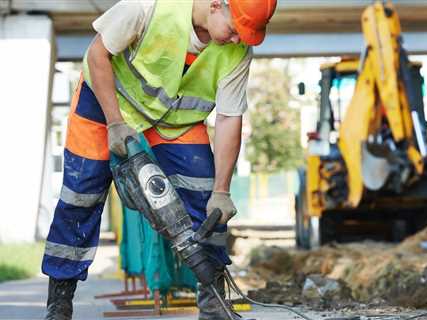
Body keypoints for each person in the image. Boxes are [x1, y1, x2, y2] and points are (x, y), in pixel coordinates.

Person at [41, 0, 277, 319]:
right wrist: (114, 123)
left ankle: (213, 302)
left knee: (209, 201)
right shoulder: (147, 7)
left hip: (173, 120)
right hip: (104, 104)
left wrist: (222, 191)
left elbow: (229, 118)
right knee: (80, 196)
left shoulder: (238, 52)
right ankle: (59, 301)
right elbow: (98, 54)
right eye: (236, 30)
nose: (238, 40)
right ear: (216, 5)